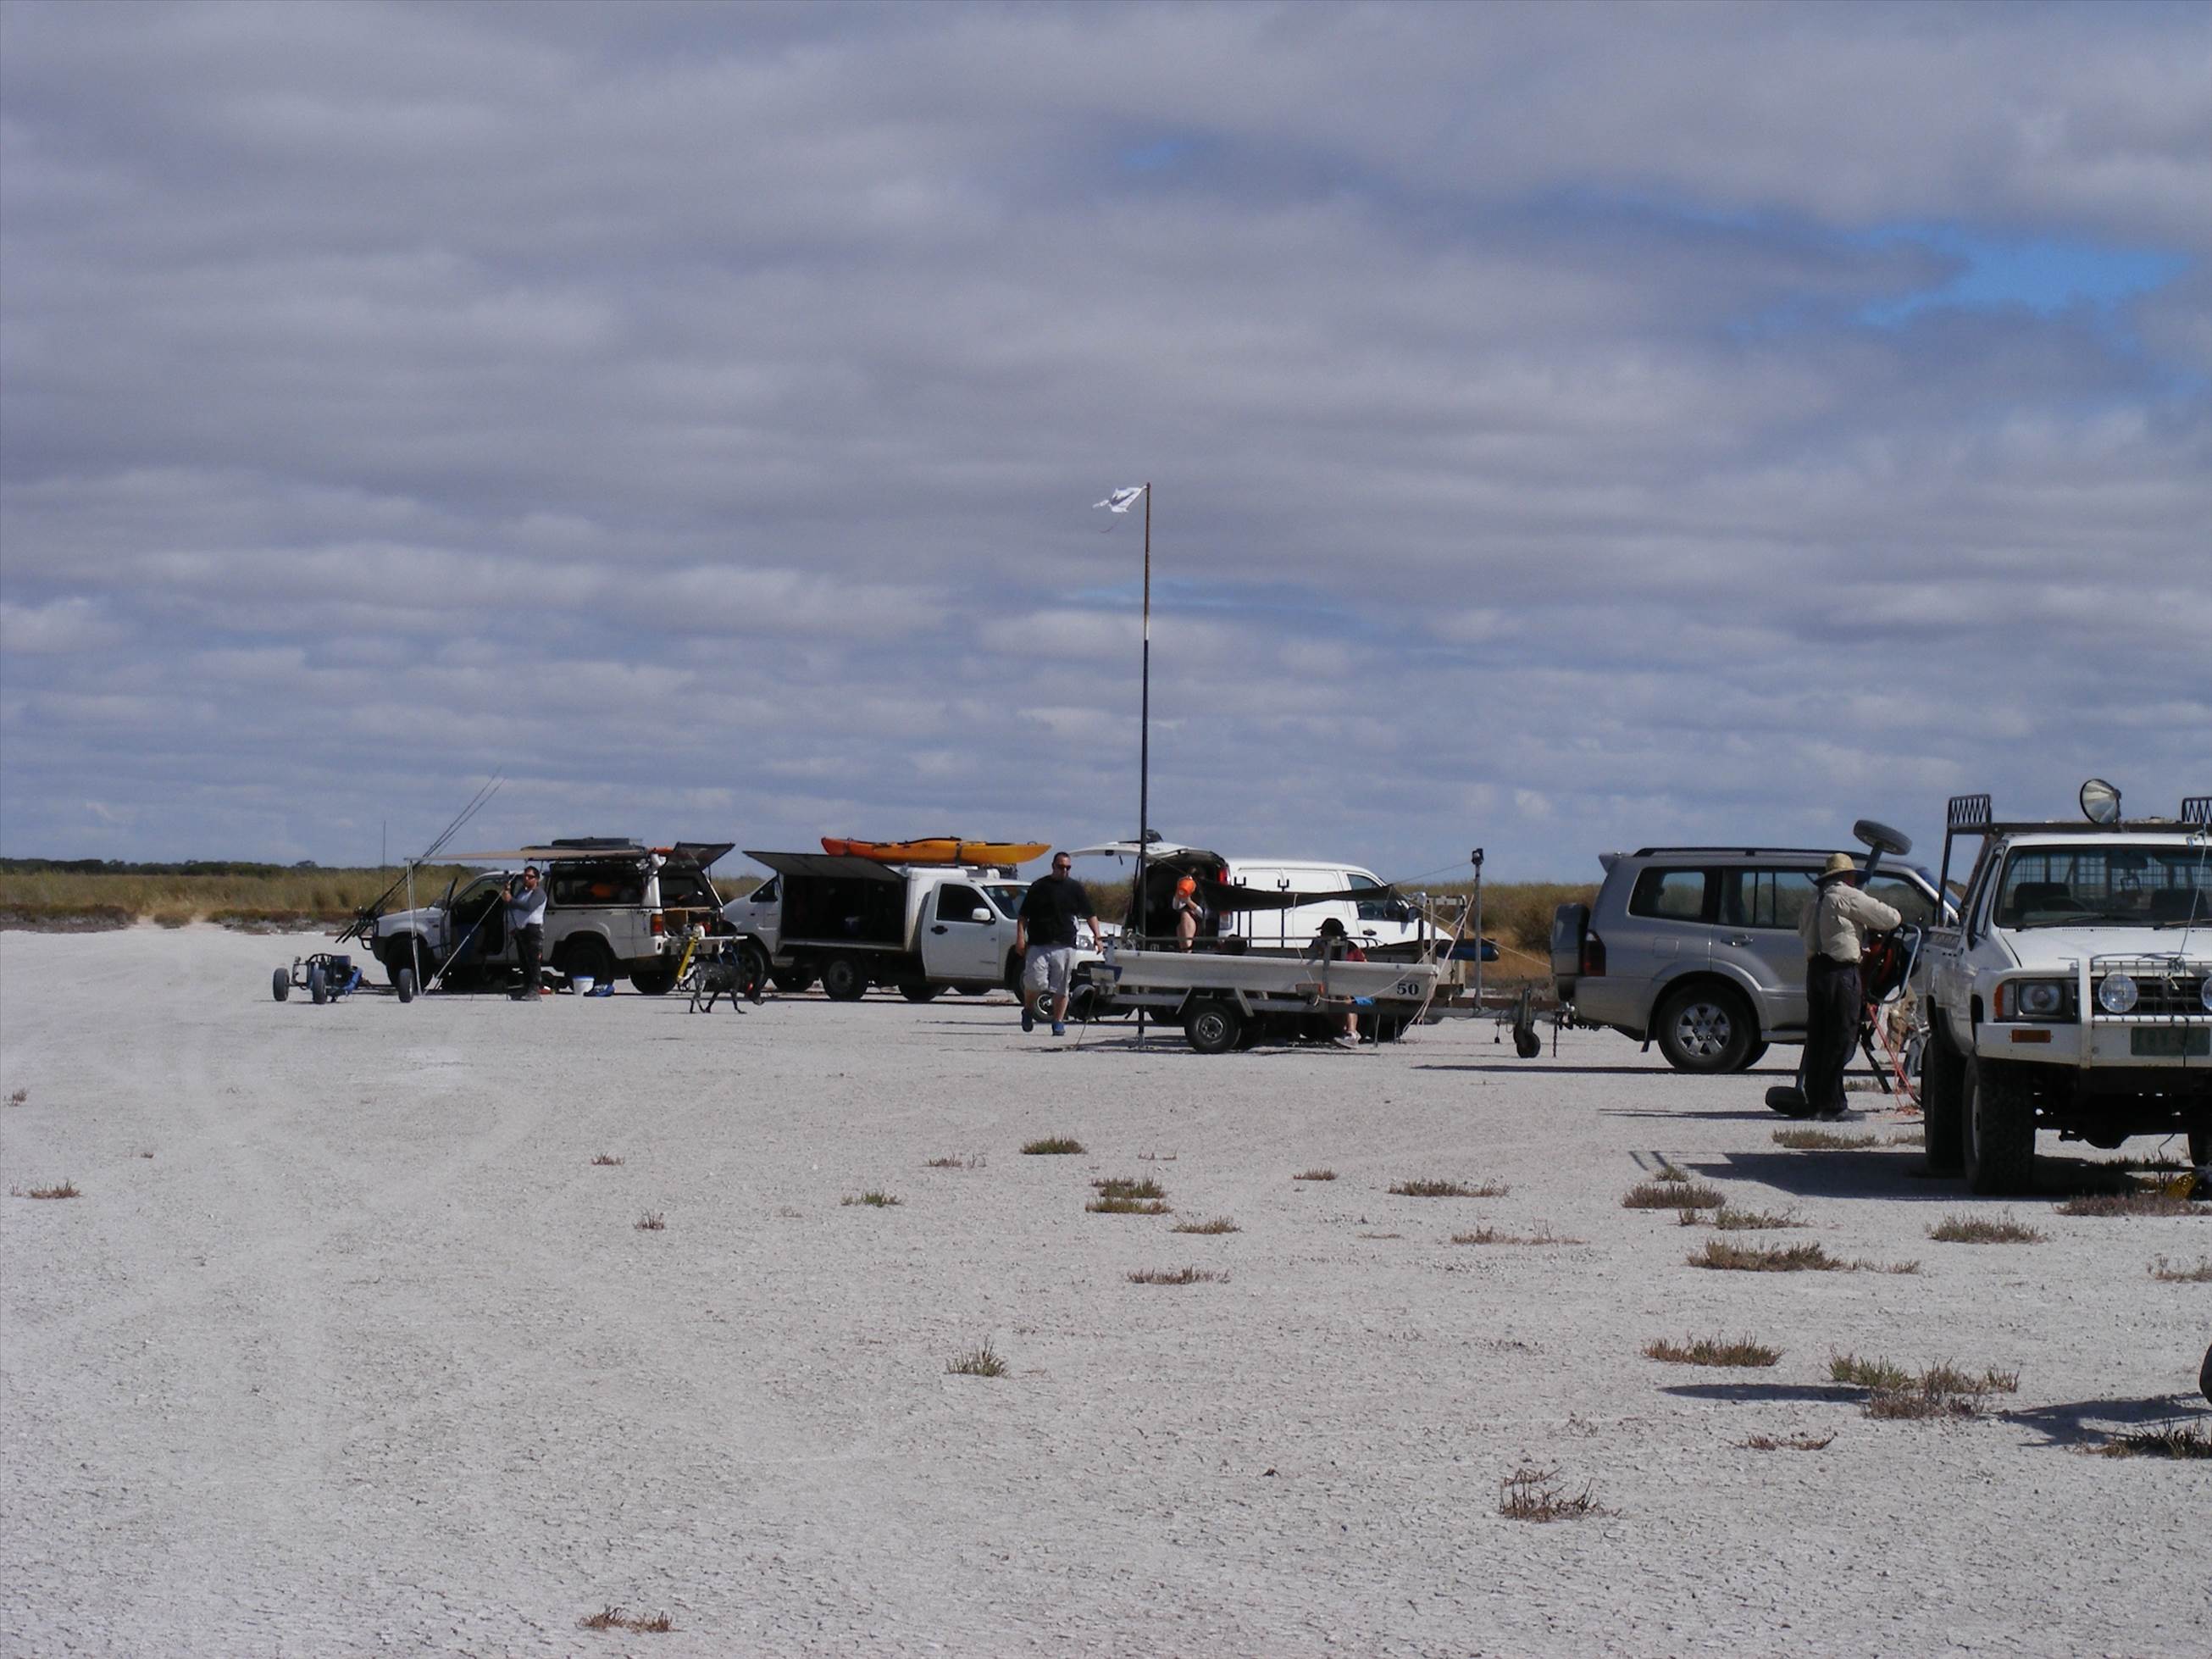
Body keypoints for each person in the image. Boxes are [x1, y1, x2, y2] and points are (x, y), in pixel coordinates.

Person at [1798, 852, 1901, 1119]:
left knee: (1818, 1036)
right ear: (1848, 876)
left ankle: (1815, 1100)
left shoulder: (1813, 900)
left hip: (1815, 972)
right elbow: (1890, 917)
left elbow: (1801, 931)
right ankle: (1834, 1104)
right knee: (1841, 1036)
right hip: (1840, 972)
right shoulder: (1847, 896)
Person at [1016, 851, 1100, 1037]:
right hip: (1039, 943)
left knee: (1062, 986)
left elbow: (1090, 914)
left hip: (1065, 943)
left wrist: (1097, 936)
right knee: (1034, 982)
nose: (1064, 871)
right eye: (1061, 867)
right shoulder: (1039, 887)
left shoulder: (1075, 888)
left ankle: (1058, 1022)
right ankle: (1028, 1009)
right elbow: (1023, 916)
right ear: (1053, 866)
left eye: (1068, 867)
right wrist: (1020, 938)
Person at [1305, 916, 1367, 1043]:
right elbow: (1309, 961)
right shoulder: (1321, 946)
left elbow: (1363, 967)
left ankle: (1351, 1032)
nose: (1321, 935)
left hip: (1355, 987)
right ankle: (1343, 1032)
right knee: (1322, 999)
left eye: (1323, 932)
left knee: (1344, 997)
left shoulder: (1350, 947)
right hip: (1329, 986)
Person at [507, 864, 547, 1001]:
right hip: (522, 930)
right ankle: (527, 986)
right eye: (525, 876)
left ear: (536, 879)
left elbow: (528, 907)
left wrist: (511, 900)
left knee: (534, 961)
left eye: (530, 877)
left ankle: (535, 989)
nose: (527, 879)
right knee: (524, 961)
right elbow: (514, 905)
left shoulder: (539, 893)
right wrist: (508, 895)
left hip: (533, 930)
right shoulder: (522, 892)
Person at [1171, 875, 1202, 952]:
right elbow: (1176, 906)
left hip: (1201, 923)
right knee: (1180, 928)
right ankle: (1185, 951)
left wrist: (1189, 901)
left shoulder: (1203, 894)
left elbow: (1204, 914)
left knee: (1185, 915)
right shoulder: (1186, 892)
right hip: (1187, 925)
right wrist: (1179, 891)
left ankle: (1187, 950)